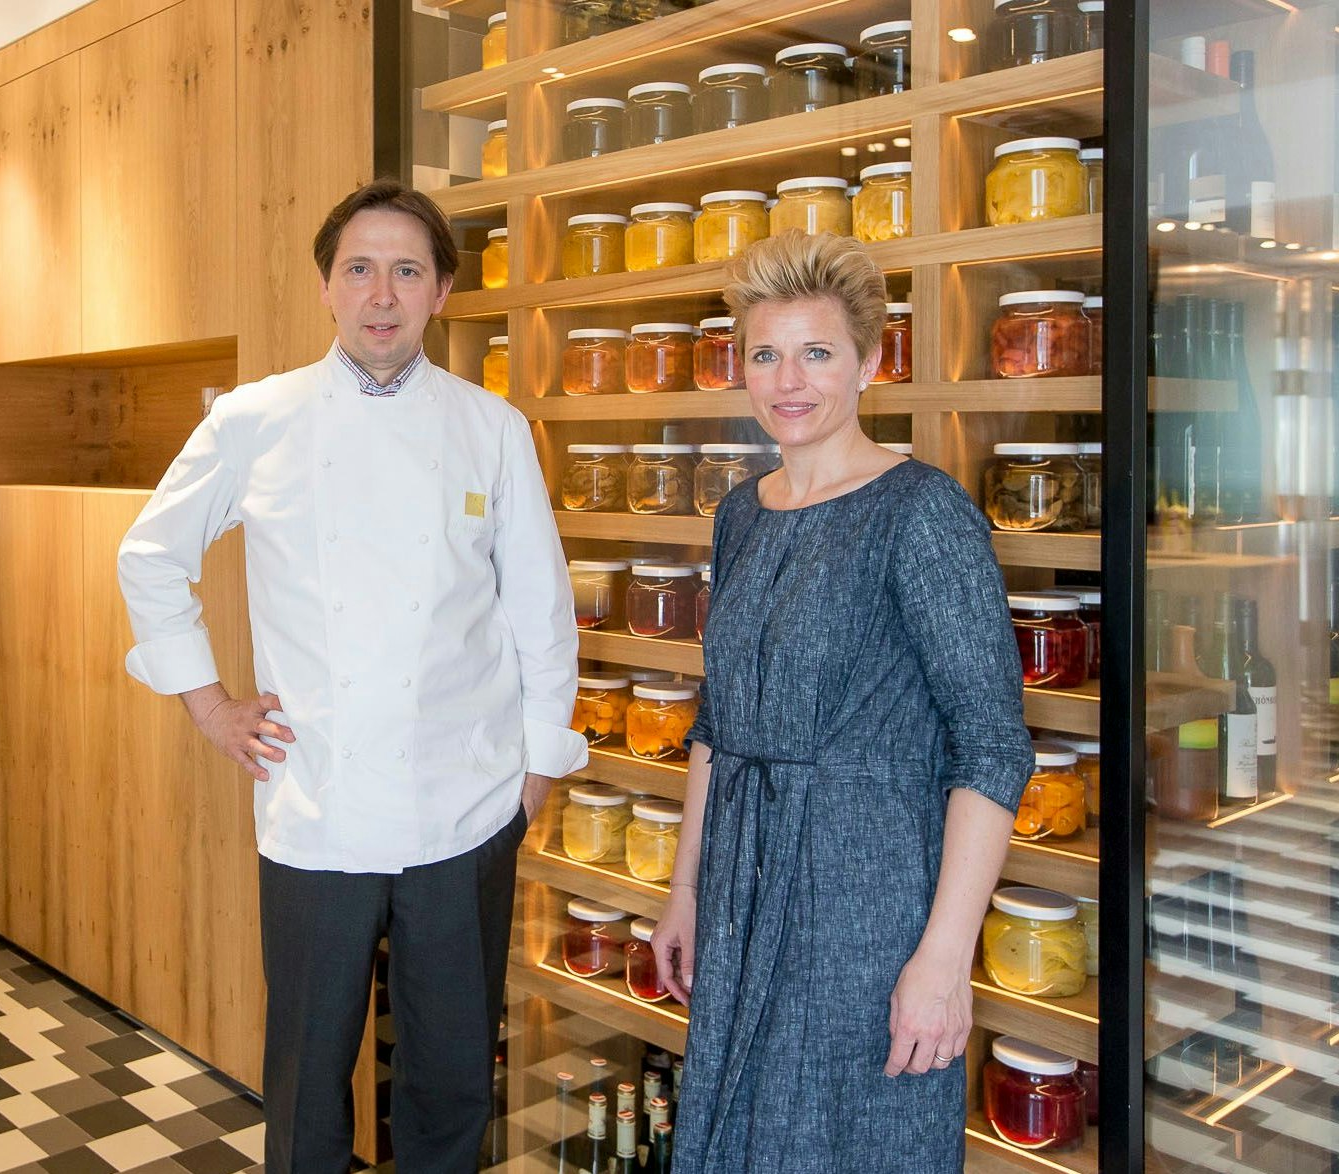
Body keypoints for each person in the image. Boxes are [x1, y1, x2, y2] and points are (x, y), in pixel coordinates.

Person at [117, 178, 586, 1173]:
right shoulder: (257, 418)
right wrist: (207, 701)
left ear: (441, 292)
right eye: (359, 269)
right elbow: (149, 555)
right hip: (315, 799)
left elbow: (538, 611)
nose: (382, 293)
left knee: (453, 1069)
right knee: (305, 1068)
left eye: (406, 270)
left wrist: (536, 762)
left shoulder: (490, 428)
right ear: (326, 289)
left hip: (464, 798)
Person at [649, 231, 1034, 1173]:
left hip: (863, 903)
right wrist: (687, 889)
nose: (790, 380)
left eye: (817, 353)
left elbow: (992, 749)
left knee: (842, 1142)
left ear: (870, 362)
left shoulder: (923, 513)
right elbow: (716, 721)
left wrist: (944, 959)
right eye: (766, 354)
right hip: (739, 891)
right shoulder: (740, 511)